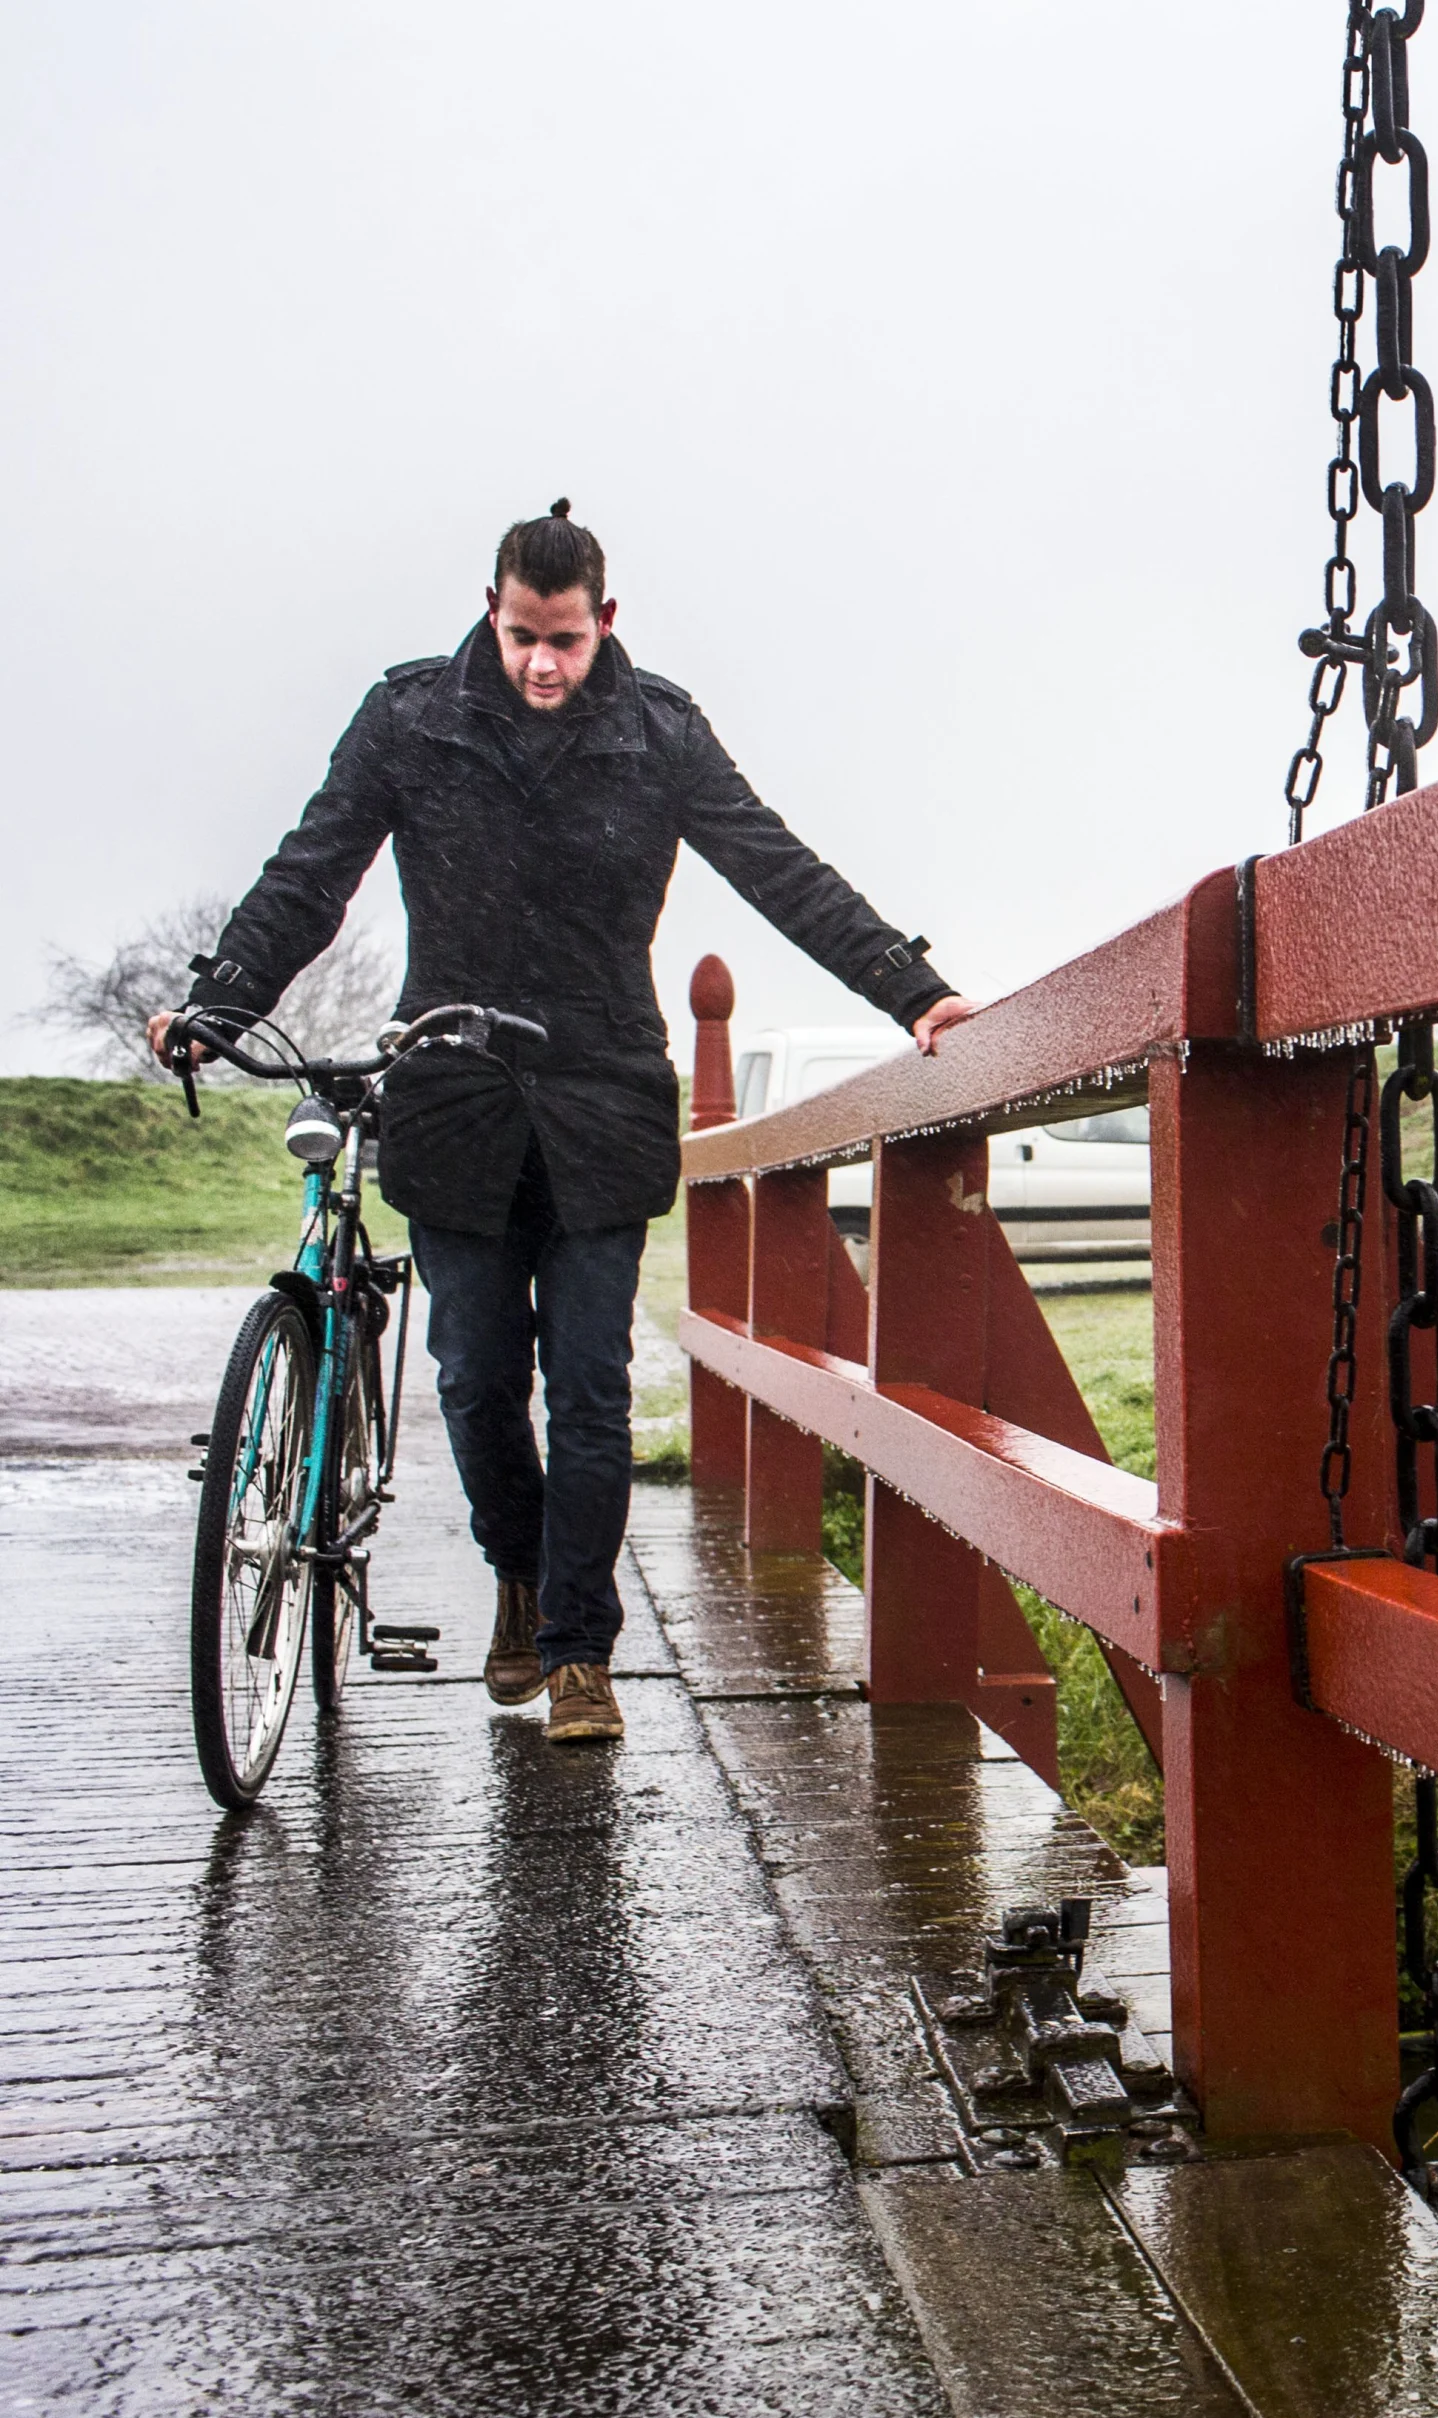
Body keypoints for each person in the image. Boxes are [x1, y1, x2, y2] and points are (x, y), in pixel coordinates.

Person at [155, 501, 976, 1745]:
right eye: (525, 635)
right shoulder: (410, 718)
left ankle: (580, 1648)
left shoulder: (661, 735)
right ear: (493, 610)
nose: (543, 664)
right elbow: (312, 872)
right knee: (477, 1380)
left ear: (606, 624)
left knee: (589, 1387)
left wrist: (913, 990)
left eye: (568, 641)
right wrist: (222, 1003)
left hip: (600, 1098)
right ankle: (524, 1577)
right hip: (453, 1097)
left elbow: (779, 867)